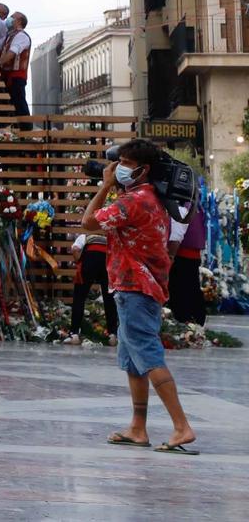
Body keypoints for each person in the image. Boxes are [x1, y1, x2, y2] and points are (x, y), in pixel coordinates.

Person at [87, 138, 196, 453]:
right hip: (135, 286)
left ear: (143, 170)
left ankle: (181, 426)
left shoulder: (136, 201)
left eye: (125, 164)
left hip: (136, 286)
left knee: (148, 357)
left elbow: (88, 222)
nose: (119, 169)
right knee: (134, 362)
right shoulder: (150, 197)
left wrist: (105, 185)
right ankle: (138, 427)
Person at [168, 202, 207, 326]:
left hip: (181, 253)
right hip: (192, 254)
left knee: (180, 290)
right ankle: (195, 319)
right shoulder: (195, 205)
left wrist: (170, 255)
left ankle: (184, 319)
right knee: (191, 288)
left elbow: (177, 234)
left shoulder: (182, 207)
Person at [0, 13, 33, 130]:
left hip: (17, 76)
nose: (9, 19)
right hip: (8, 76)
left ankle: (26, 131)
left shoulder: (22, 36)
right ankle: (15, 129)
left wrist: (0, 63)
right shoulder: (10, 35)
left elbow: (12, 53)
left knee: (19, 103)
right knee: (12, 105)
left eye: (12, 17)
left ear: (19, 21)